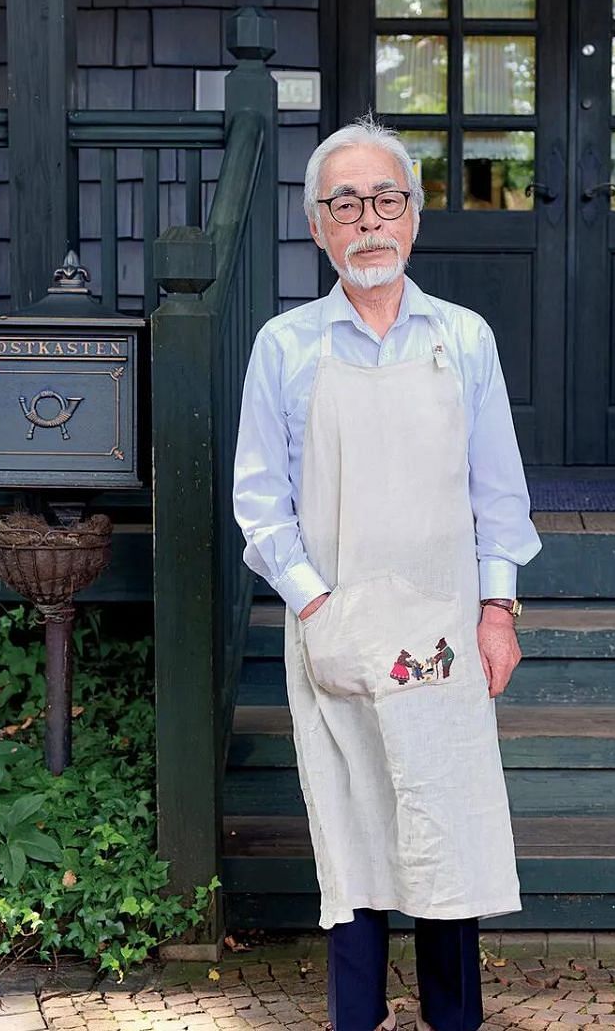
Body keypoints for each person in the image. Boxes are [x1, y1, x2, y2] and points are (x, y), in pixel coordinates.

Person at [231, 115, 542, 1031]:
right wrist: (316, 606)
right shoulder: (285, 347)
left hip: (445, 629)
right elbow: (259, 501)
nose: (369, 221)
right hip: (339, 628)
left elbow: (499, 490)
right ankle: (356, 1020)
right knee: (356, 831)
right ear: (318, 226)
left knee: (448, 828)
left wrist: (498, 609)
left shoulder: (465, 338)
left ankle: (454, 1021)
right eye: (346, 204)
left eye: (387, 199)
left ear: (414, 216)